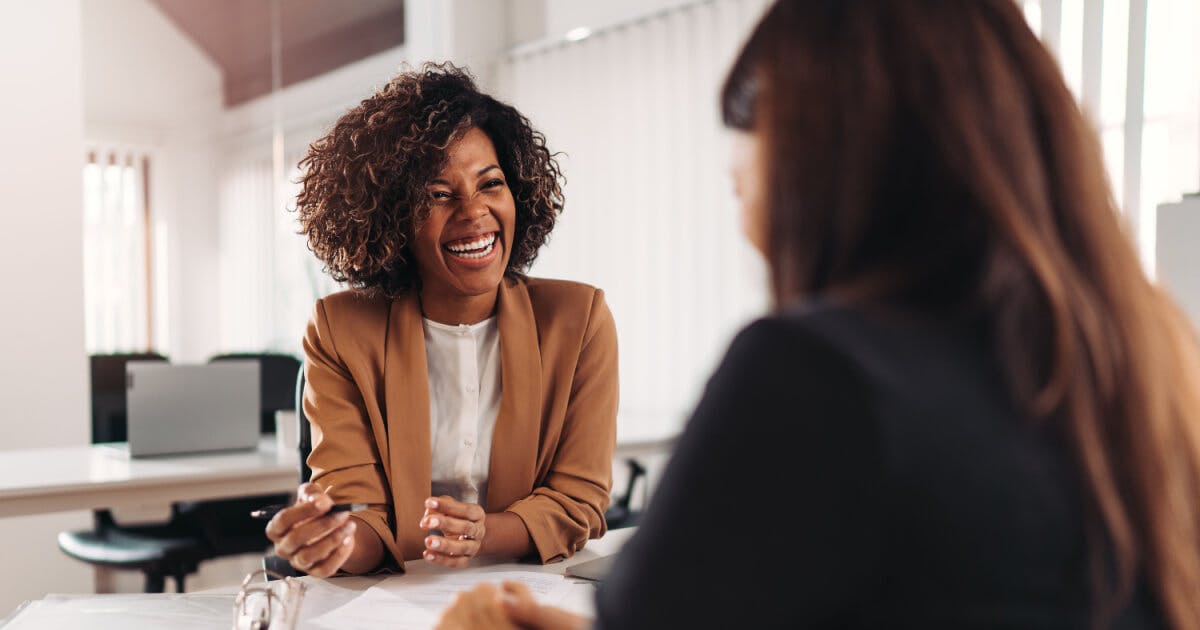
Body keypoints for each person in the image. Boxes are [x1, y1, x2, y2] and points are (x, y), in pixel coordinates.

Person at [436, 0, 1200, 627]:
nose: (744, 220)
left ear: (821, 166)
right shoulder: (1147, 366)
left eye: (745, 178)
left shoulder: (818, 375)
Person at [264, 63, 618, 577]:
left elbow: (578, 501)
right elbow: (361, 516)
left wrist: (483, 533)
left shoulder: (579, 320)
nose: (473, 212)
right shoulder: (341, 330)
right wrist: (333, 541)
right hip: (393, 599)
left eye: (490, 183)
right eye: (437, 194)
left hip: (529, 589)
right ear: (391, 217)